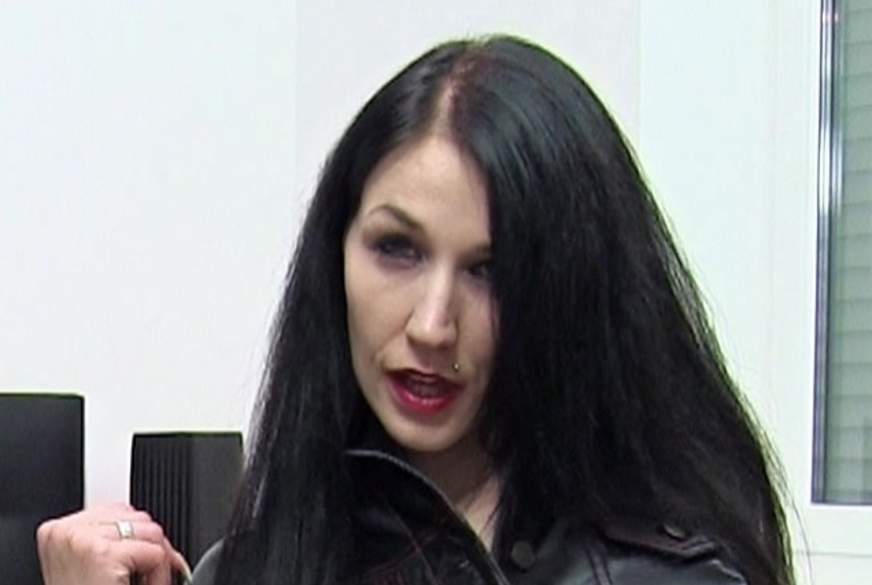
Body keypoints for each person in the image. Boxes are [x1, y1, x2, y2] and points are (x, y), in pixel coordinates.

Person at [38, 35, 794, 585]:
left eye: (489, 271)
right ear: (337, 253)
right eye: (396, 249)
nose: (432, 326)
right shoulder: (255, 565)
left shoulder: (671, 572)